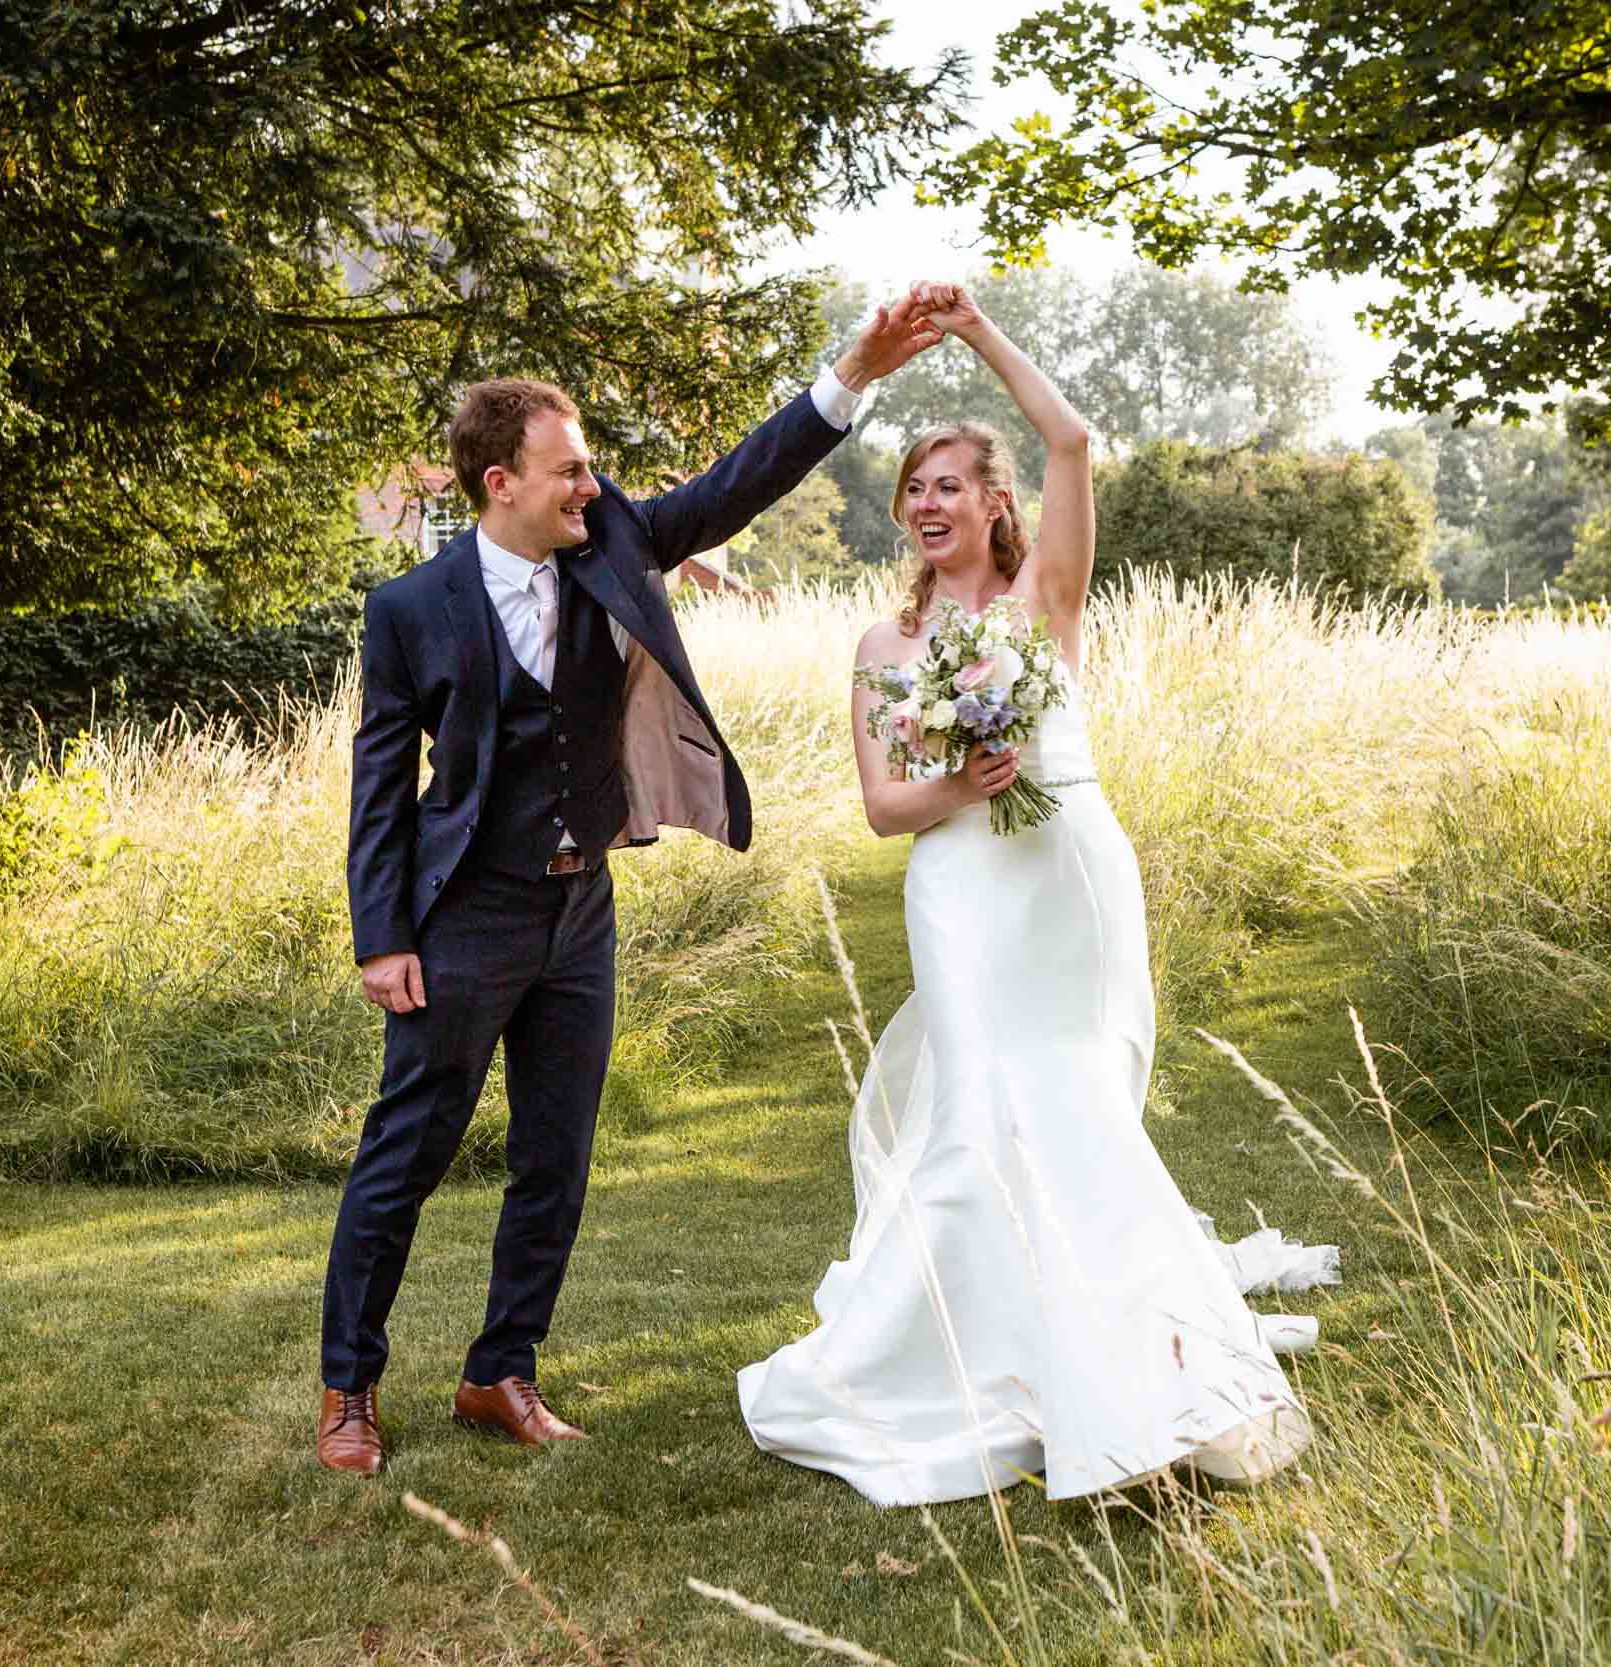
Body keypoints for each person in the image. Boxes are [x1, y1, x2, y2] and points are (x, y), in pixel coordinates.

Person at [318, 297, 945, 1475]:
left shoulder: (608, 541)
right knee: (406, 1148)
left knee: (556, 1152)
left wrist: (851, 374)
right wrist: (381, 933)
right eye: (569, 470)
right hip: (463, 917)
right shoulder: (407, 612)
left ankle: (500, 1371)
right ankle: (349, 1388)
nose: (590, 487)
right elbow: (377, 782)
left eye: (591, 468)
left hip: (579, 910)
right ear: (500, 481)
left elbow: (735, 483)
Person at [736, 283, 1327, 1506]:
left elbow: (1072, 439)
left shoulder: (1044, 600)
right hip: (959, 891)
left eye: (951, 483)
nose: (929, 503)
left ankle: (1119, 1345)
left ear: (995, 504)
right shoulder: (881, 650)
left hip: (1068, 871)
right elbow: (883, 810)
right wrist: (958, 778)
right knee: (972, 1118)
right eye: (914, 488)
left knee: (1079, 1103)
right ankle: (962, 1354)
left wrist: (974, 336)